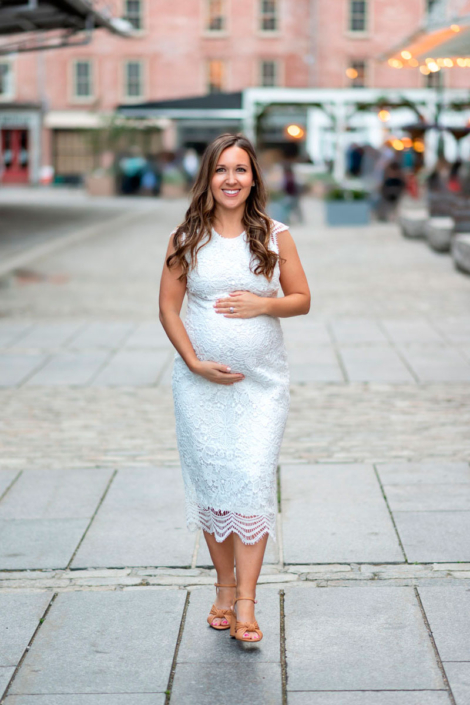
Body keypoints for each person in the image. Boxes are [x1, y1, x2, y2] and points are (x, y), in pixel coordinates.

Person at [159, 133, 310, 643]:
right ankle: (223, 589)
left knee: (250, 478)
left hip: (261, 387)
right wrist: (194, 362)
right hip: (198, 386)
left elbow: (302, 298)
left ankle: (246, 599)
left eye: (241, 169)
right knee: (213, 484)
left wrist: (262, 304)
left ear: (253, 178)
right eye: (222, 169)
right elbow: (167, 307)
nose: (231, 179)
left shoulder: (273, 234)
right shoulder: (187, 236)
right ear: (209, 177)